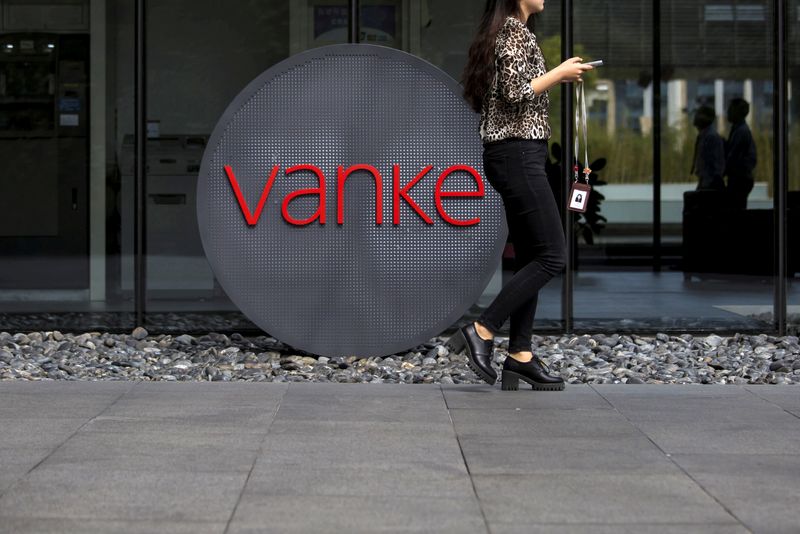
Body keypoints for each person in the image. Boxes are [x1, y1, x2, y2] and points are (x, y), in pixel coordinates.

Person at [454, 0, 593, 391]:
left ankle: (521, 356)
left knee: (533, 255)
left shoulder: (513, 32)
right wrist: (559, 73)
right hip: (517, 152)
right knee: (552, 255)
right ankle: (482, 329)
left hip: (516, 153)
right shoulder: (512, 33)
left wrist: (557, 75)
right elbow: (516, 92)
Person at [723, 98, 757, 209]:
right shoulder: (738, 130)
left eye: (730, 109)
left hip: (739, 180)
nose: (727, 112)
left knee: (736, 213)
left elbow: (733, 157)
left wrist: (721, 172)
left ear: (737, 112)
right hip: (740, 179)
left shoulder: (741, 131)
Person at [690, 106, 725, 191]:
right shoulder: (704, 136)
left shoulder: (711, 137)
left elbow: (715, 164)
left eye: (698, 114)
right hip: (705, 183)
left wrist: (708, 183)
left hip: (710, 184)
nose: (695, 116)